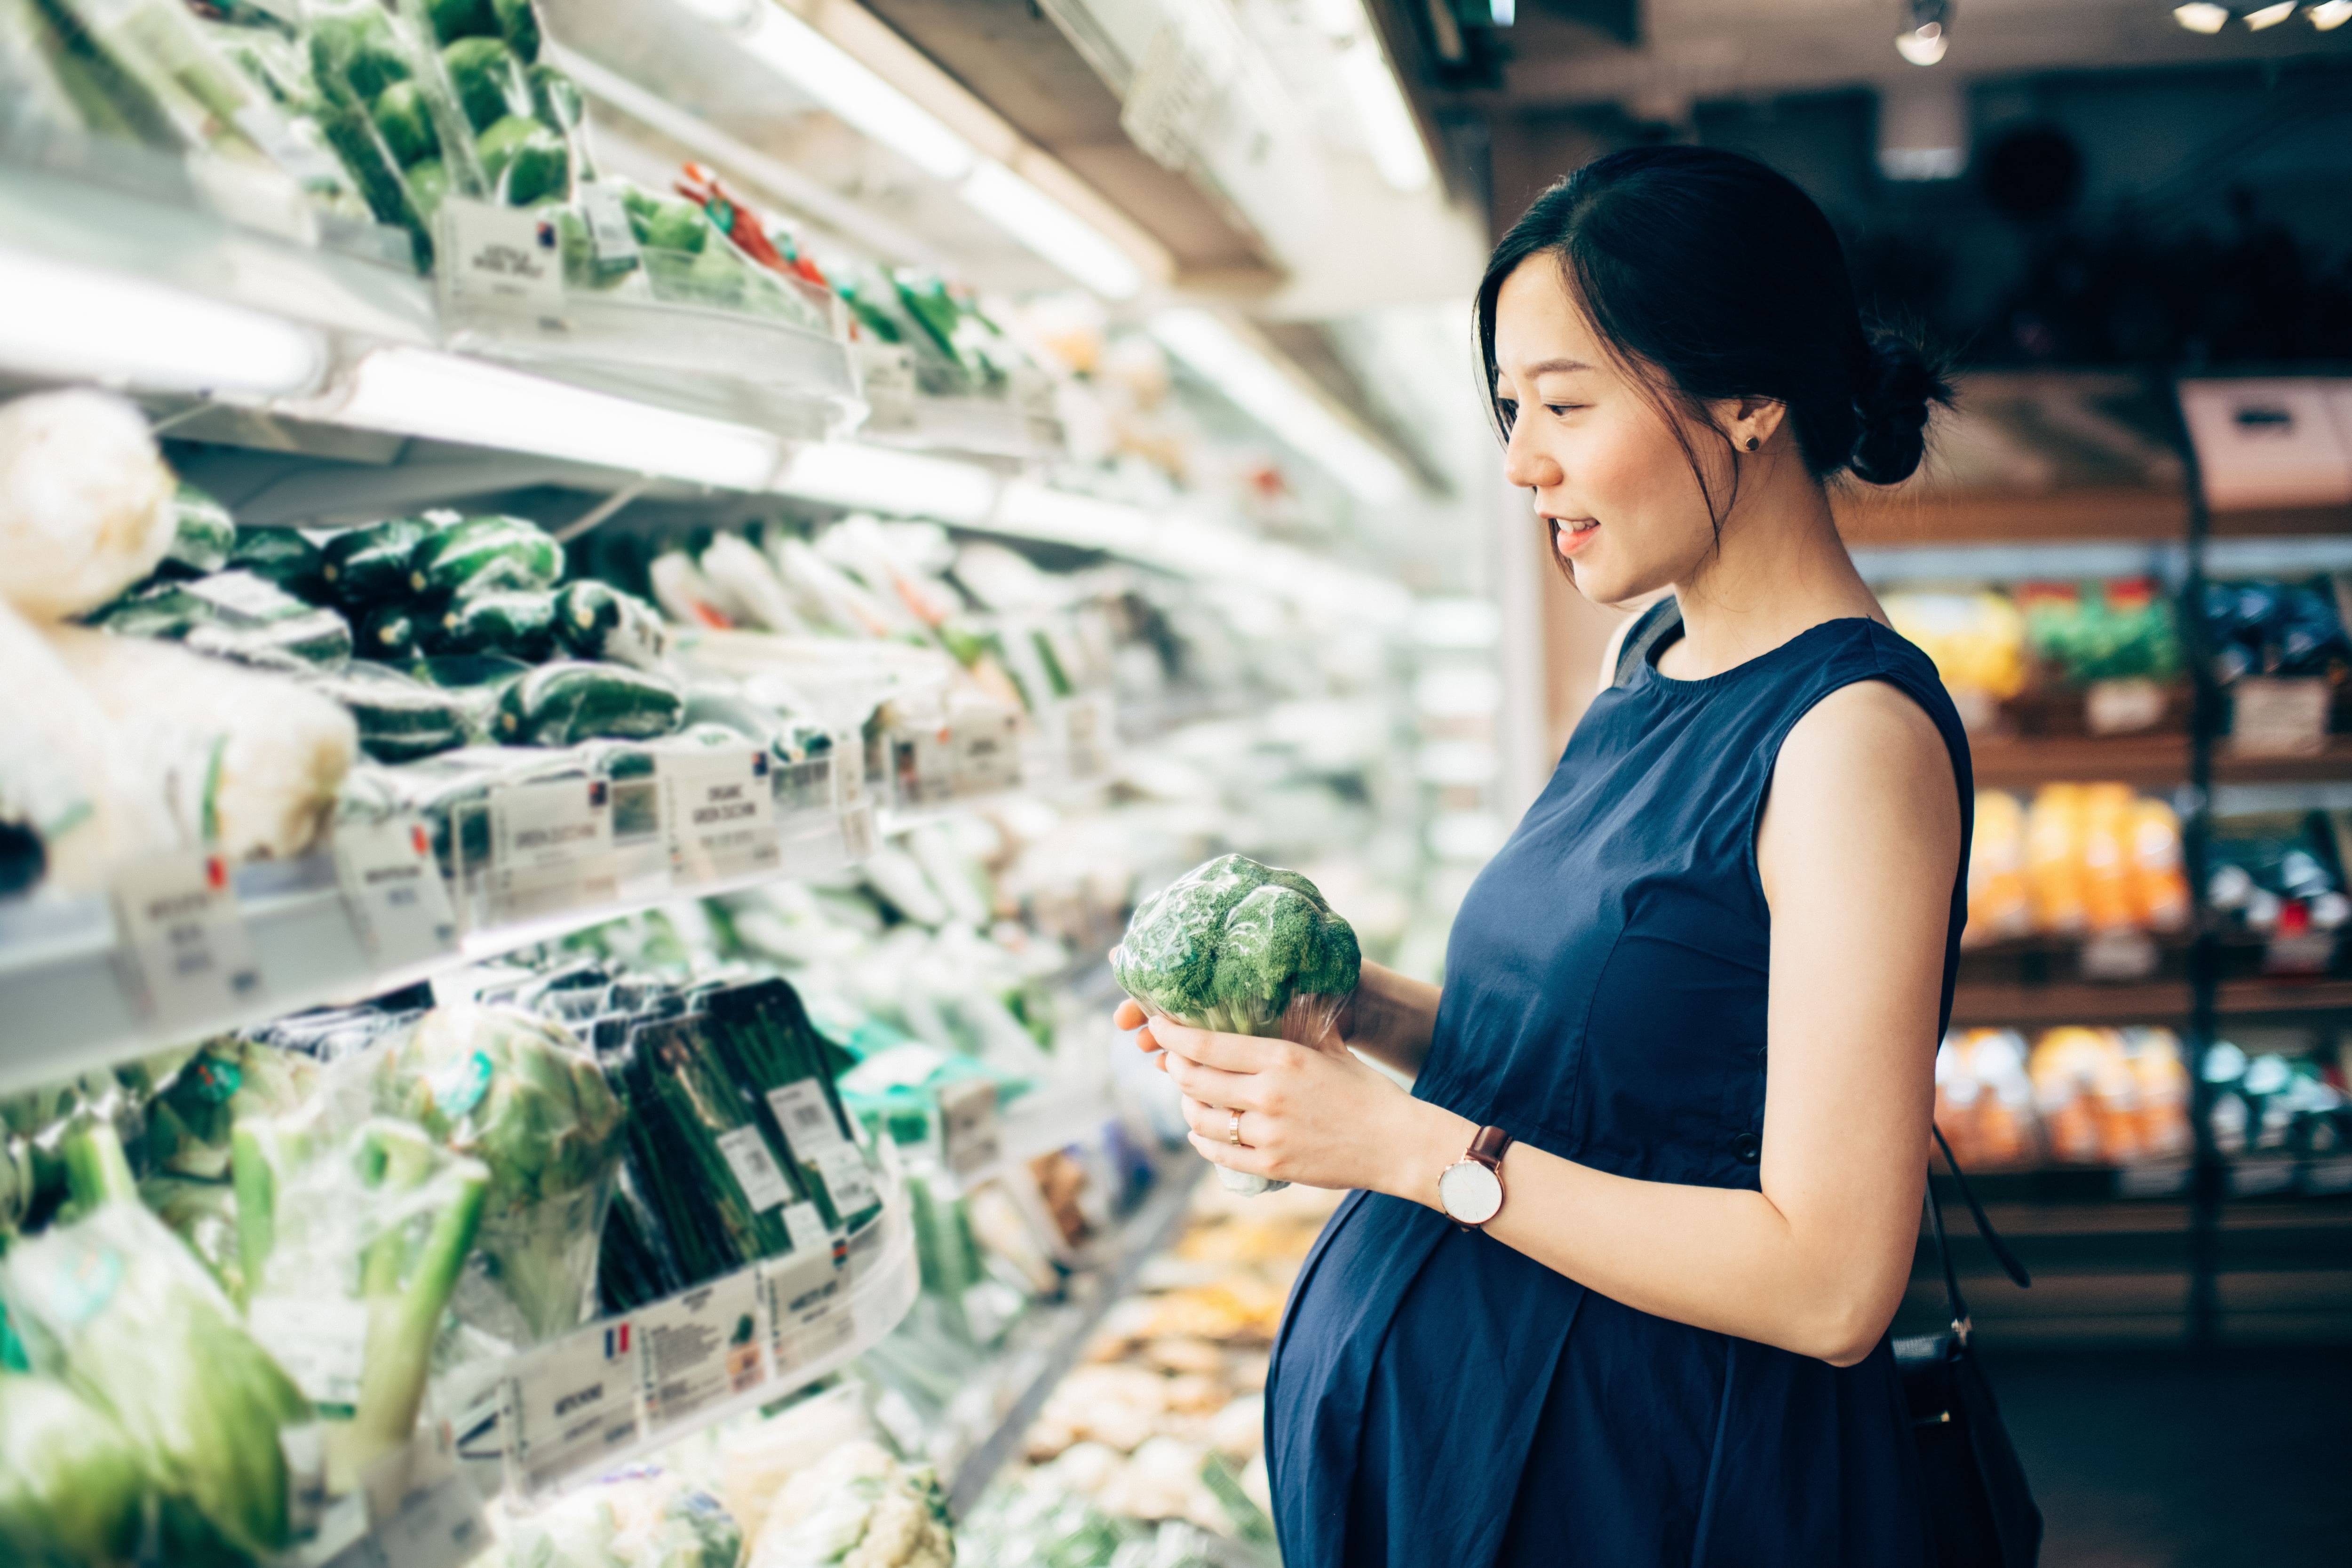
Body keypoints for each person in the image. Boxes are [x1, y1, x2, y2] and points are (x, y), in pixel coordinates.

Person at [1116, 144, 1970, 1567]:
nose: (1522, 460)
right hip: (1500, 1469)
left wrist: (1397, 1146)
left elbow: (1831, 1280)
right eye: (1512, 407)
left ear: (1752, 394)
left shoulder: (1850, 740)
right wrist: (1354, 1016)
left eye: (1564, 404)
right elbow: (1617, 1090)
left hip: (1653, 1488)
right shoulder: (1657, 659)